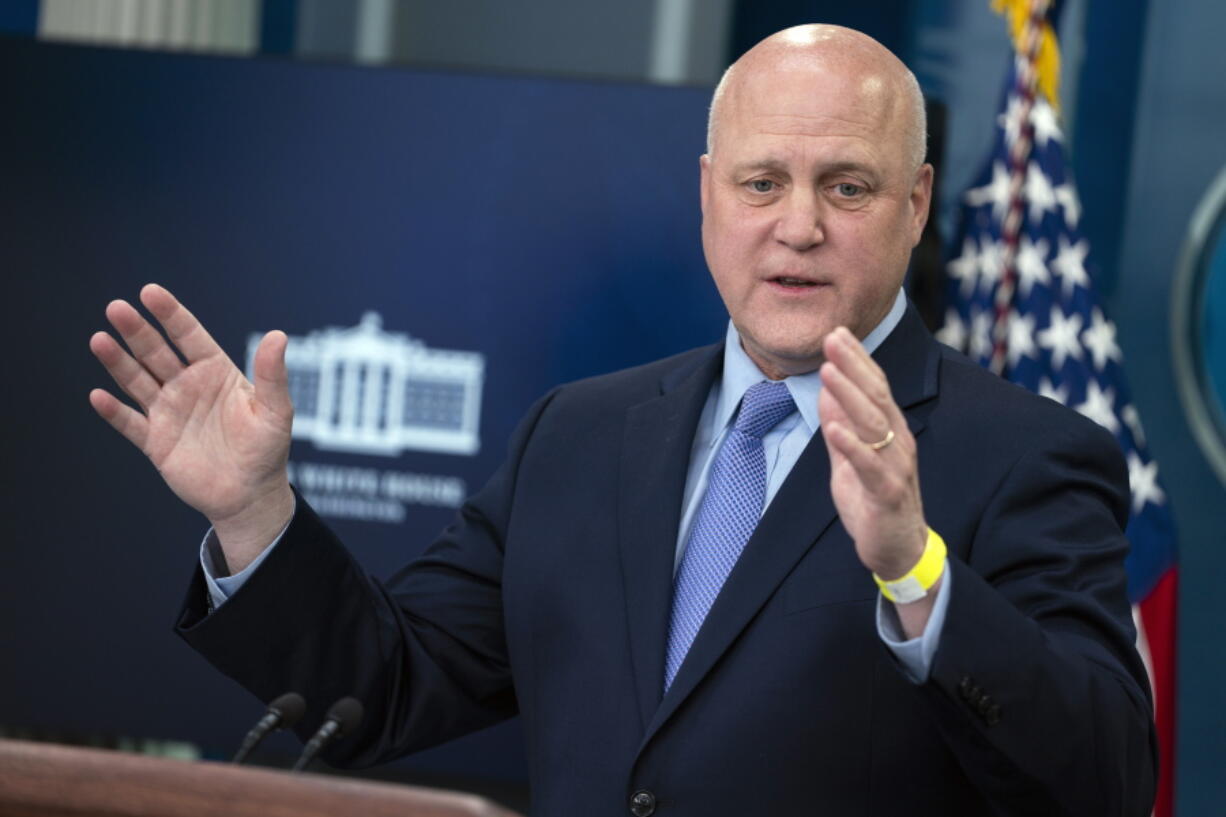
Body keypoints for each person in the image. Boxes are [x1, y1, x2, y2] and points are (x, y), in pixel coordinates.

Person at [89, 24, 1156, 817]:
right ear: (705, 194)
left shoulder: (1025, 455)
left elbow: (1102, 778)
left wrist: (916, 573)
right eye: (759, 181)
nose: (796, 225)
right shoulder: (581, 435)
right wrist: (254, 513)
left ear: (914, 203)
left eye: (845, 187)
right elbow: (384, 682)